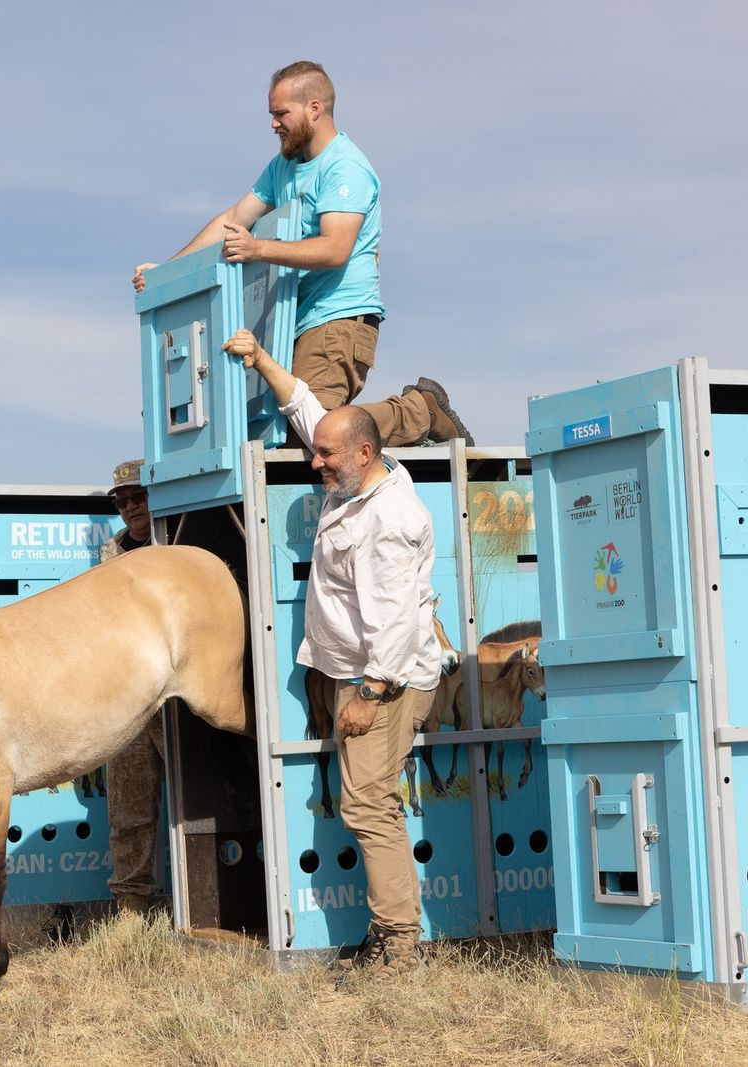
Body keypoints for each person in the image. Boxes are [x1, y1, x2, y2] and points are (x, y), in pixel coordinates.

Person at [223, 326, 440, 981]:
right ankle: (389, 934)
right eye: (317, 453)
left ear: (366, 452)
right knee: (365, 802)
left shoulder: (388, 520)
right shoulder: (355, 468)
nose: (313, 463)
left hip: (386, 680)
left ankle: (399, 947)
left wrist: (370, 694)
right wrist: (259, 358)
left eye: (324, 457)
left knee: (370, 805)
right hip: (356, 672)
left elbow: (396, 622)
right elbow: (307, 408)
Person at [133, 60, 472, 448]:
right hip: (294, 321)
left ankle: (420, 411)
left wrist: (257, 247)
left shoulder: (345, 167)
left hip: (338, 317)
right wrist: (168, 271)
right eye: (271, 114)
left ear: (314, 108)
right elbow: (233, 218)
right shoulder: (284, 167)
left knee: (314, 428)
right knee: (281, 430)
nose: (273, 123)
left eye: (280, 114)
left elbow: (335, 249)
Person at [99, 459, 165, 916]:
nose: (129, 507)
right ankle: (131, 908)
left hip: (182, 697)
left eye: (137, 497)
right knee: (128, 806)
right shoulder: (111, 555)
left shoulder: (177, 541)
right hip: (129, 698)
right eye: (121, 501)